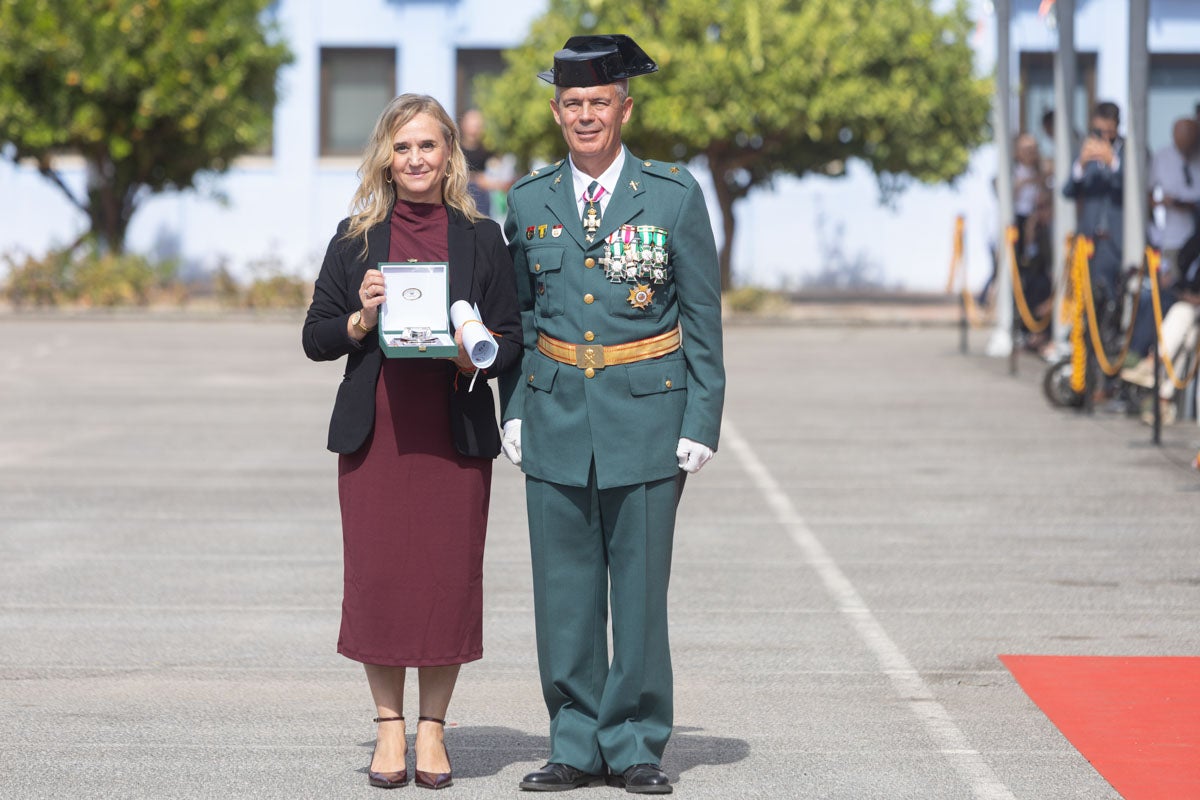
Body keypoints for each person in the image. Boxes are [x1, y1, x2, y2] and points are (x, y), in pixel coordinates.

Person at [498, 34, 725, 794]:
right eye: (573, 104)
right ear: (557, 112)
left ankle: (633, 745)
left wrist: (702, 417)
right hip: (557, 410)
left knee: (637, 590)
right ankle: (573, 741)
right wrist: (516, 407)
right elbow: (522, 320)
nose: (586, 115)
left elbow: (701, 316)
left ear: (625, 107)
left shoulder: (671, 195)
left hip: (648, 418)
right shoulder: (528, 201)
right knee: (563, 591)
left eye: (599, 102)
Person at [301, 93, 522, 791]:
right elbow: (315, 336)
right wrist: (361, 321)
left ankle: (434, 728)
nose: (417, 159)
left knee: (444, 582)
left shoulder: (482, 238)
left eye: (428, 145)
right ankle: (388, 726)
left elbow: (513, 340)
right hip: (379, 438)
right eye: (403, 148)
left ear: (449, 153)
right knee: (383, 581)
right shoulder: (355, 237)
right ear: (386, 158)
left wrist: (472, 357)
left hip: (451, 434)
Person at [1063, 102, 1124, 301]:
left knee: (1110, 292)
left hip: (1115, 238)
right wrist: (1080, 163)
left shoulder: (1129, 151)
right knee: (1086, 293)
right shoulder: (1085, 151)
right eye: (1099, 131)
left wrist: (1113, 162)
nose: (1103, 137)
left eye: (1108, 131)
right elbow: (1068, 191)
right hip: (1089, 236)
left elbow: (1137, 188)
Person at [459, 108, 512, 218]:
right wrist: (476, 179)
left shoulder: (487, 150)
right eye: (473, 124)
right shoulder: (456, 150)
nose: (476, 128)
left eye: (478, 125)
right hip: (461, 200)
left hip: (482, 202)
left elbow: (498, 175)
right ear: (463, 125)